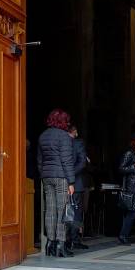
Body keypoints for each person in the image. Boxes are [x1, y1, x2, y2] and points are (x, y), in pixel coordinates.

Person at [37, 109, 75, 258]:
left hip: (47, 177)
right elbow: (67, 161)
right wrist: (71, 182)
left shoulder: (43, 136)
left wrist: (43, 174)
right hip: (61, 177)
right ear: (63, 121)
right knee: (62, 211)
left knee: (50, 210)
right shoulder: (64, 137)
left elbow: (40, 160)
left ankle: (49, 244)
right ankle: (60, 244)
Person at [68, 125, 90, 250]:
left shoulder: (71, 143)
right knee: (76, 212)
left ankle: (70, 239)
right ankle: (74, 240)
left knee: (71, 211)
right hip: (76, 182)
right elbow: (82, 162)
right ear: (74, 132)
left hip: (69, 181)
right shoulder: (78, 143)